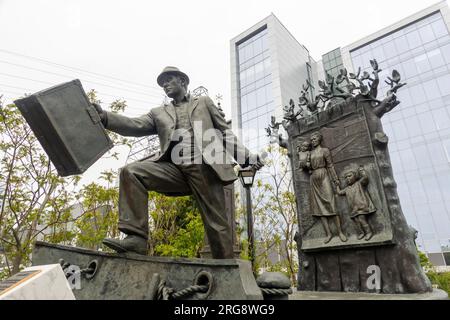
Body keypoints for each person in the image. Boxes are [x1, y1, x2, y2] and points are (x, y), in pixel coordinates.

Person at [93, 66, 263, 259]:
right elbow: (134, 125)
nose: (164, 85)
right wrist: (105, 118)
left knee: (216, 223)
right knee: (131, 172)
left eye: (169, 80)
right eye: (162, 83)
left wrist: (246, 159)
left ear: (182, 81)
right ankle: (136, 239)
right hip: (173, 169)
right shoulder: (158, 113)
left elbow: (225, 133)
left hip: (205, 167)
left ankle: (227, 268)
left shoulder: (204, 103)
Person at [309, 131, 347, 244]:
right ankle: (328, 234)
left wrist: (335, 179)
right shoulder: (309, 153)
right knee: (319, 208)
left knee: (332, 204)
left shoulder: (325, 151)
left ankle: (340, 232)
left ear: (319, 139)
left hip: (324, 175)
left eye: (314, 138)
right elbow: (307, 167)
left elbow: (330, 165)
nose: (313, 141)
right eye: (311, 139)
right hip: (314, 179)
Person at [336, 166, 376, 241]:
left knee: (362, 220)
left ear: (355, 176)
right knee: (357, 221)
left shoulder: (359, 183)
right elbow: (339, 192)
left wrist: (362, 171)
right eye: (346, 177)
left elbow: (365, 178)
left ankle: (369, 232)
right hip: (353, 209)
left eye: (350, 176)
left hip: (361, 206)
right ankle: (361, 233)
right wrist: (337, 185)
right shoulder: (347, 189)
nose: (348, 178)